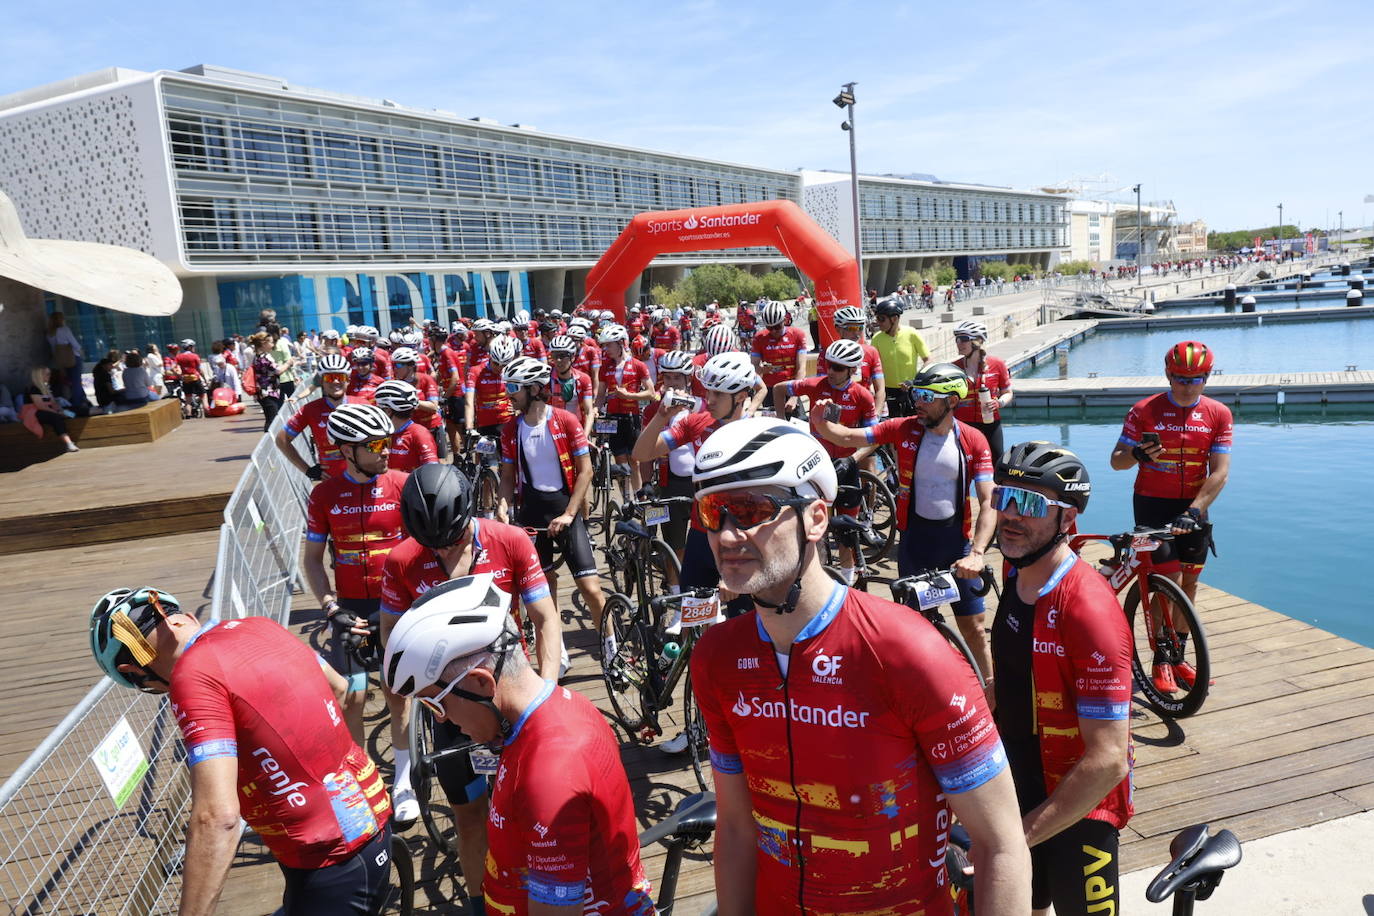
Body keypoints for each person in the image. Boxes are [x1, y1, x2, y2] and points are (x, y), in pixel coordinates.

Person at [689, 418, 1030, 915]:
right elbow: (739, 828)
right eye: (712, 512)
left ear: (817, 518)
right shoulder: (715, 658)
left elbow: (1000, 844)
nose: (727, 534)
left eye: (751, 510)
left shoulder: (907, 651)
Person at [88, 587, 393, 915]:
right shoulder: (260, 626)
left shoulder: (191, 678)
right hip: (371, 809)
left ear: (134, 672)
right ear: (186, 618)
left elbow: (217, 819)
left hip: (328, 856)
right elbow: (340, 688)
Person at [383, 575, 656, 914]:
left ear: (481, 684)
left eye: (436, 704)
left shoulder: (550, 773)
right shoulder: (554, 709)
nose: (442, 720)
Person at [378, 466, 564, 898]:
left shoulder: (510, 540)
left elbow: (545, 617)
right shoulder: (401, 560)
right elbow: (391, 636)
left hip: (509, 698)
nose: (443, 550)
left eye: (453, 539)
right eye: (432, 544)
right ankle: (483, 904)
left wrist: (548, 691)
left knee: (529, 807)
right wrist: (423, 695)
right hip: (450, 707)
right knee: (469, 816)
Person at [991, 443, 1133, 916]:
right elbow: (1010, 681)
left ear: (1067, 520)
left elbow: (1110, 759)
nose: (1010, 514)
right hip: (1018, 780)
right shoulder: (1018, 572)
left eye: (1030, 503)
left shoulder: (1087, 610)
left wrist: (1017, 838)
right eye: (1004, 496)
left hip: (1080, 802)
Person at [810, 363, 997, 682]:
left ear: (951, 401)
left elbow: (989, 500)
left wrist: (978, 552)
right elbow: (851, 436)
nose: (917, 403)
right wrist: (821, 423)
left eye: (926, 396)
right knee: (916, 630)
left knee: (975, 629)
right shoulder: (905, 428)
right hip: (915, 545)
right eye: (915, 395)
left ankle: (992, 698)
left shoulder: (973, 440)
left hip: (957, 546)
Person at [1109, 340, 1232, 691]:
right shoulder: (1144, 409)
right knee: (1169, 580)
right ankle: (1160, 658)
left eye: (1197, 379)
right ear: (1167, 374)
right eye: (1179, 378)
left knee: (1190, 583)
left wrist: (1195, 510)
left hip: (1194, 508)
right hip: (1152, 504)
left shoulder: (1218, 413)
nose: (1187, 385)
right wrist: (1136, 454)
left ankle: (1177, 655)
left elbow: (1220, 472)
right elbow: (1116, 462)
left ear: (1208, 376)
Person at [302, 403, 408, 743]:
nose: (386, 450)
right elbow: (313, 561)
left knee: (398, 694)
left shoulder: (403, 485)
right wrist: (331, 608)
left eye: (387, 441)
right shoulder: (323, 496)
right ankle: (362, 773)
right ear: (348, 450)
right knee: (352, 697)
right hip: (352, 611)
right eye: (376, 445)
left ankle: (406, 778)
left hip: (396, 607)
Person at [497, 357, 609, 653]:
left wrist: (570, 514)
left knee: (591, 589)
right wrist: (501, 505)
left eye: (513, 388)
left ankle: (612, 648)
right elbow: (507, 477)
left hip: (566, 512)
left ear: (534, 389)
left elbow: (586, 471)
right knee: (544, 592)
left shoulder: (564, 420)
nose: (508, 394)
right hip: (533, 515)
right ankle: (555, 652)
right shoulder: (510, 430)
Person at [777, 339, 877, 584]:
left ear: (852, 370)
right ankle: (817, 579)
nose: (831, 371)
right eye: (829, 365)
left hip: (846, 466)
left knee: (846, 531)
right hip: (817, 465)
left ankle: (849, 581)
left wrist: (853, 459)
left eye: (838, 368)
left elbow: (875, 438)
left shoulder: (862, 396)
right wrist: (783, 426)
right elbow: (779, 388)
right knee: (816, 528)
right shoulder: (816, 385)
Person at [277, 353, 366, 481]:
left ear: (348, 380)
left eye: (340, 377)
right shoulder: (310, 410)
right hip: (332, 482)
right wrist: (308, 470)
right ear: (321, 382)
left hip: (363, 479)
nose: (335, 381)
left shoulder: (363, 405)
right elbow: (281, 440)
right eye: (329, 378)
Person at [593, 325, 653, 497]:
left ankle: (638, 496)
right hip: (612, 419)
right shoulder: (605, 366)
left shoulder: (638, 365)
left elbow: (651, 392)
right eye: (603, 345)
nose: (605, 349)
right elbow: (600, 395)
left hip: (631, 417)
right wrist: (596, 409)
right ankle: (626, 499)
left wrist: (630, 395)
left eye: (608, 345)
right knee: (620, 463)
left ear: (620, 343)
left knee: (634, 461)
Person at [952, 320, 1013, 460]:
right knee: (964, 467)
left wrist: (999, 403)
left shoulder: (997, 364)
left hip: (990, 424)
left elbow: (1008, 392)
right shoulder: (953, 368)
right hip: (963, 426)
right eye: (957, 339)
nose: (958, 343)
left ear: (977, 341)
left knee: (997, 464)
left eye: (963, 339)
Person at [816, 305, 885, 415]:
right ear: (838, 329)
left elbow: (880, 389)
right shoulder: (826, 354)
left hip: (865, 411)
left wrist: (875, 415)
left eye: (860, 328)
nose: (857, 332)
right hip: (838, 413)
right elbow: (823, 390)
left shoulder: (871, 352)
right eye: (851, 328)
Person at [871, 299, 931, 417]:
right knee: (894, 425)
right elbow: (872, 366)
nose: (878, 322)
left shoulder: (911, 334)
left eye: (881, 319)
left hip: (911, 388)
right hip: (887, 391)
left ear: (894, 319)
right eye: (877, 318)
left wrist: (915, 381)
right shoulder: (876, 338)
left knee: (915, 422)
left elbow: (928, 360)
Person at [748, 301, 807, 412]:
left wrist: (794, 397)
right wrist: (761, 370)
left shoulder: (798, 335)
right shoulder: (759, 338)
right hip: (769, 389)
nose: (774, 331)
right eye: (770, 328)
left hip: (791, 387)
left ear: (784, 320)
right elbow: (753, 367)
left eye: (777, 326)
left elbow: (801, 369)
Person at [373, 379, 439, 474]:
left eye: (379, 408)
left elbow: (433, 473)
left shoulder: (419, 433)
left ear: (388, 411)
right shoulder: (380, 433)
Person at [546, 334, 597, 436]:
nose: (558, 360)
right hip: (552, 430)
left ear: (572, 357)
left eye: (562, 356)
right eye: (555, 356)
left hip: (576, 430)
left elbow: (588, 412)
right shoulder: (546, 378)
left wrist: (585, 437)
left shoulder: (583, 379)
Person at [23, 367, 79, 452]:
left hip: (48, 410)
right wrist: (58, 413)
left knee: (74, 410)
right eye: (47, 374)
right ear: (39, 376)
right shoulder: (33, 388)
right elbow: (40, 406)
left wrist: (62, 411)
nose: (50, 376)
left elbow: (53, 403)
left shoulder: (45, 387)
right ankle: (69, 443)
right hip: (35, 413)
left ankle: (100, 411)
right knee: (56, 418)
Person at [249, 331, 285, 430]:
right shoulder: (264, 357)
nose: (273, 345)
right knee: (272, 420)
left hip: (264, 392)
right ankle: (270, 442)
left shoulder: (257, 357)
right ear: (264, 343)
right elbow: (278, 370)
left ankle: (272, 441)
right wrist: (289, 363)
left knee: (271, 418)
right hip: (268, 392)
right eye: (271, 342)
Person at [175, 339, 210, 414]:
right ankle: (207, 412)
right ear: (190, 347)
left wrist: (180, 376)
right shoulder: (194, 356)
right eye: (193, 346)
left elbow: (175, 368)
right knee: (203, 395)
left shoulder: (179, 357)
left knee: (188, 399)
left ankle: (188, 415)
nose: (194, 348)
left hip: (186, 380)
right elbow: (200, 369)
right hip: (195, 378)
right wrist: (205, 379)